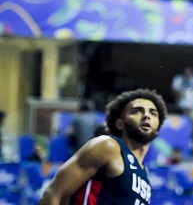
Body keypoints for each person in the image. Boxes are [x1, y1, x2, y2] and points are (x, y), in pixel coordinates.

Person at [38, 88, 167, 205]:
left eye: (153, 113)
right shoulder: (108, 146)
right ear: (119, 124)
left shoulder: (145, 173)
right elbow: (54, 193)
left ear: (157, 127)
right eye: (136, 111)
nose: (146, 116)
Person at [171, 66, 193, 138]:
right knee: (183, 121)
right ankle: (181, 135)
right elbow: (174, 91)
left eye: (190, 71)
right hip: (183, 104)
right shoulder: (179, 79)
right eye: (187, 71)